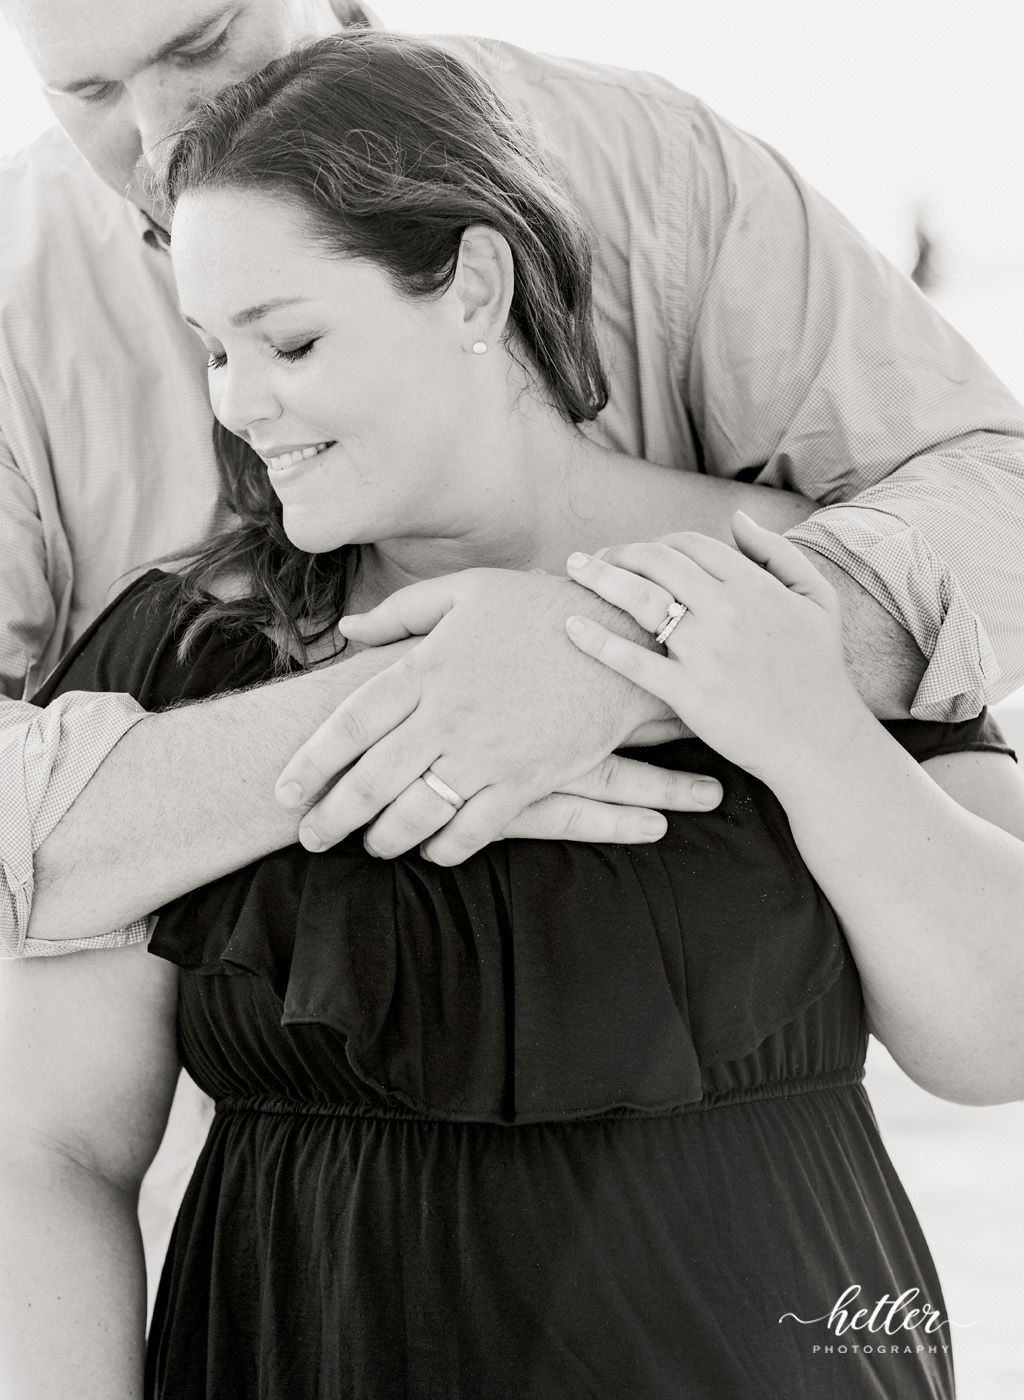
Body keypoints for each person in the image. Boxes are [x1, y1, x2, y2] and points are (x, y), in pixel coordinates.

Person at [3, 34, 1023, 1399]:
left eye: (290, 340)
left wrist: (797, 727)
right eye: (210, 351)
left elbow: (994, 1042)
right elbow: (46, 1151)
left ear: (475, 284)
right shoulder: (183, 650)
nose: (240, 408)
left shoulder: (800, 584)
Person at [4, 0, 1024, 963]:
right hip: (212, 1126)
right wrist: (426, 702)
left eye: (201, 43)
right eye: (87, 92)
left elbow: (997, 497)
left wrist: (610, 656)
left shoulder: (657, 168)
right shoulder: (17, 295)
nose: (158, 140)